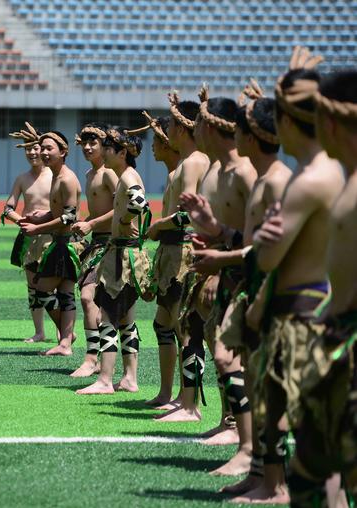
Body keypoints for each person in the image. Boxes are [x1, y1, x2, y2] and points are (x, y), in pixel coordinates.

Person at [232, 47, 341, 505]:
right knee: (290, 422)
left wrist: (263, 244)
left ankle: (278, 489)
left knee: (309, 439)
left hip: (302, 313)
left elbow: (270, 257)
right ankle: (271, 486)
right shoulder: (323, 173)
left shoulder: (309, 180)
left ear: (292, 123)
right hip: (301, 308)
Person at [179, 80, 293, 482]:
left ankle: (254, 455)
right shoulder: (246, 174)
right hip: (238, 275)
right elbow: (248, 235)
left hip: (263, 284)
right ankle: (252, 455)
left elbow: (276, 246)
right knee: (232, 360)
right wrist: (216, 231)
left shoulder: (265, 177)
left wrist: (223, 256)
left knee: (250, 369)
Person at [285, 67, 357, 507]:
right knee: (313, 473)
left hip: (347, 345)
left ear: (328, 124)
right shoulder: (344, 182)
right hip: (337, 342)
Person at [139, 99, 209, 410]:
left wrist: (158, 226)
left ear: (181, 128)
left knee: (185, 328)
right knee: (163, 325)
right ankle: (168, 393)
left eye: (168, 126)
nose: (165, 131)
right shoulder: (184, 163)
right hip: (170, 252)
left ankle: (187, 400)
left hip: (183, 250)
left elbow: (188, 214)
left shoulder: (195, 162)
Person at [76, 128, 150, 395]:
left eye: (107, 148)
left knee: (107, 316)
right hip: (125, 253)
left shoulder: (127, 176)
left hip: (122, 255)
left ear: (122, 153)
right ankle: (129, 378)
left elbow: (140, 202)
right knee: (126, 321)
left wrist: (126, 220)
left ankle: (105, 380)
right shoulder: (124, 176)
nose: (102, 152)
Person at [17, 129, 82, 356]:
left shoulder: (66, 179)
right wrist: (40, 217)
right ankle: (65, 341)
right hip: (60, 241)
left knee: (42, 290)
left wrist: (38, 228)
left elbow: (69, 217)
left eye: (49, 148)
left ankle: (67, 336)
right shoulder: (56, 176)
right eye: (42, 148)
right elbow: (57, 212)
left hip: (67, 242)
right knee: (64, 293)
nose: (44, 152)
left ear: (63, 152)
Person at [69, 124, 118, 377]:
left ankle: (92, 358)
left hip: (112, 243)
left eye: (93, 143)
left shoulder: (109, 173)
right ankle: (94, 358)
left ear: (104, 146)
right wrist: (85, 223)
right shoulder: (89, 175)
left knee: (92, 299)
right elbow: (98, 212)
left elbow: (124, 206)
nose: (87, 148)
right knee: (90, 300)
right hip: (96, 242)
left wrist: (92, 223)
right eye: (84, 143)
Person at [2, 123, 53, 343]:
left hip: (52, 235)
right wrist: (21, 220)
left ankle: (64, 332)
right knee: (32, 286)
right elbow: (8, 208)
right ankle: (39, 332)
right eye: (27, 149)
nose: (32, 153)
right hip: (29, 237)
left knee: (55, 285)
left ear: (44, 149)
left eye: (36, 148)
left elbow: (68, 207)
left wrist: (46, 217)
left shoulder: (56, 175)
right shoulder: (22, 179)